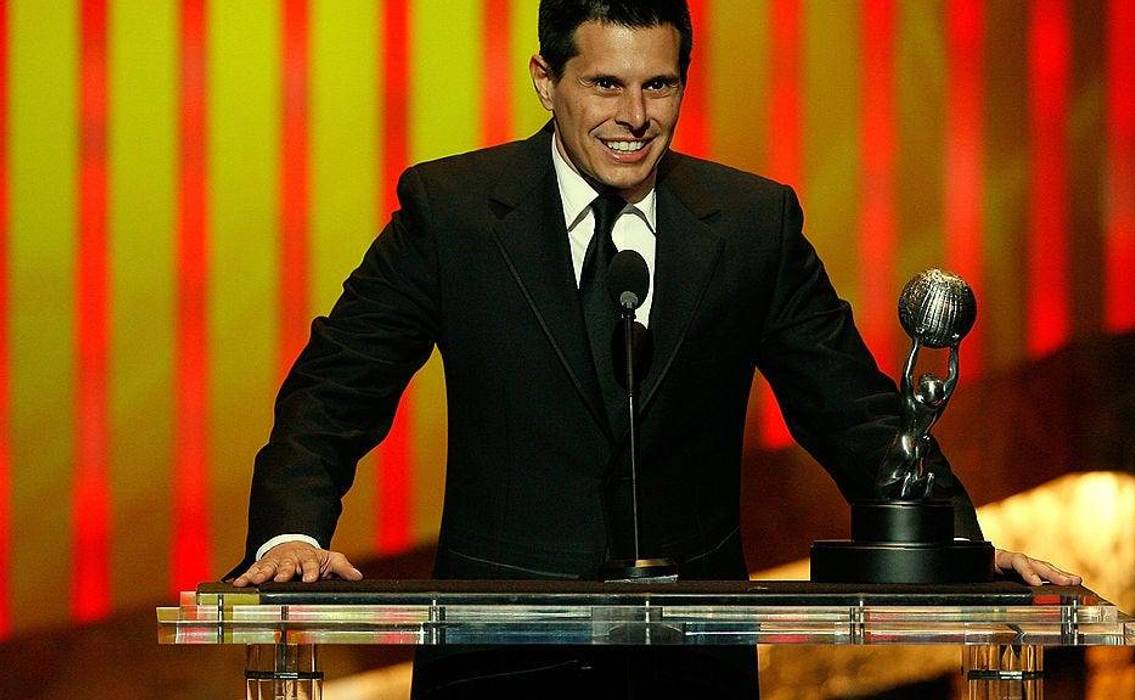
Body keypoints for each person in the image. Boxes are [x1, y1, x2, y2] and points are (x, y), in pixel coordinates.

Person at [228, 1, 1080, 696]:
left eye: (657, 86)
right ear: (544, 80)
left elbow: (853, 412)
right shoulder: (452, 213)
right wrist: (289, 538)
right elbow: (337, 389)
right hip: (497, 660)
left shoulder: (751, 224)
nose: (634, 117)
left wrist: (959, 548)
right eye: (604, 83)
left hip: (686, 666)